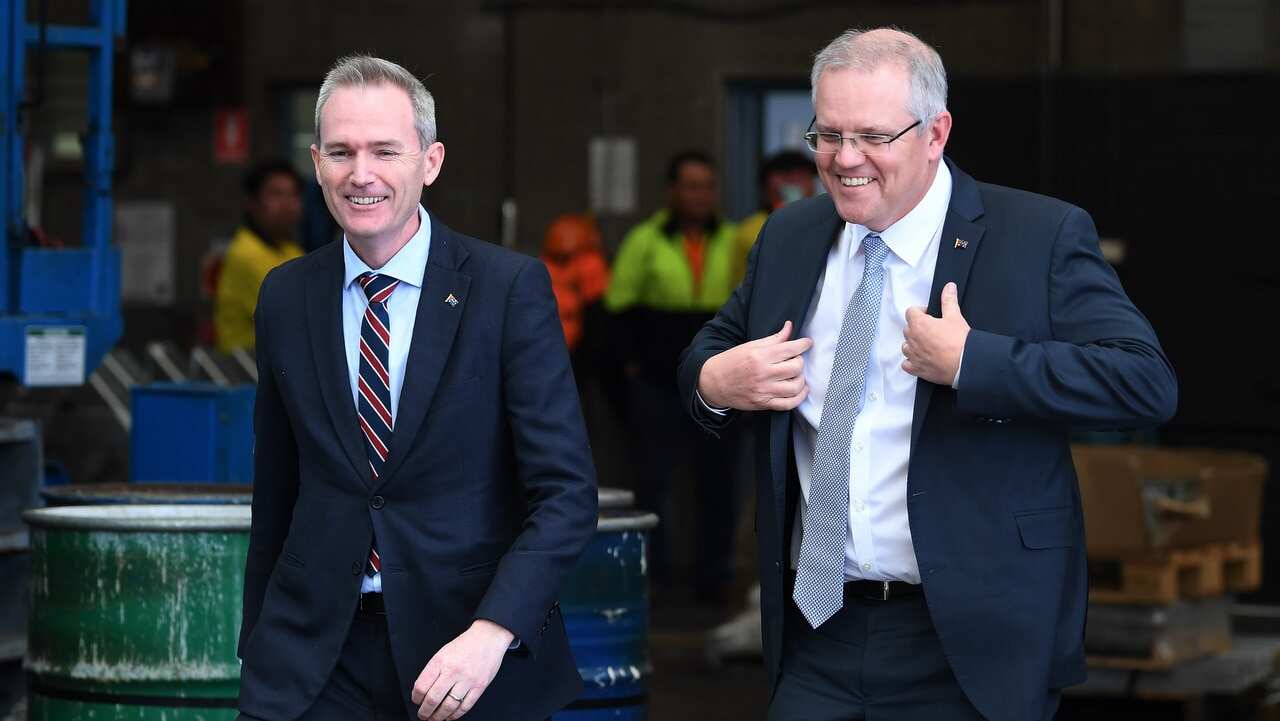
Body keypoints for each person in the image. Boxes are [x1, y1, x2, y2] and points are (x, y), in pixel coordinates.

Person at [678, 28, 1176, 721]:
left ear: (936, 133)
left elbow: (1144, 382)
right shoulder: (791, 235)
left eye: (873, 137)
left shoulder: (1036, 235)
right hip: (818, 632)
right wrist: (715, 383)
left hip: (970, 642)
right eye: (828, 134)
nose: (845, 159)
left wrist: (975, 362)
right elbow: (710, 353)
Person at [236, 55, 598, 721]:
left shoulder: (507, 289)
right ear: (316, 163)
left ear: (430, 162)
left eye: (385, 151)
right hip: (312, 661)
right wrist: (255, 645)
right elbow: (278, 489)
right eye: (340, 152)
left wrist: (493, 633)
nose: (361, 173)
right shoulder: (285, 295)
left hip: (467, 655)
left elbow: (566, 494)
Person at [604, 151, 740, 604]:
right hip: (658, 383)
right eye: (691, 186)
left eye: (708, 186)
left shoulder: (734, 239)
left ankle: (713, 579)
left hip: (717, 385)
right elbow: (617, 309)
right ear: (672, 191)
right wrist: (632, 369)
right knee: (653, 483)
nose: (700, 195)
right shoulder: (645, 240)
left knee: (717, 483)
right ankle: (655, 580)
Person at [214, 160, 305, 352]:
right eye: (276, 194)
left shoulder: (291, 250)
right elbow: (292, 318)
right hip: (245, 365)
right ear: (252, 203)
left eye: (293, 195)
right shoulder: (245, 254)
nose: (287, 205)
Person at [731, 150, 818, 285]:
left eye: (804, 177)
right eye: (787, 176)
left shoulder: (823, 223)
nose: (796, 183)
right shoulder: (750, 231)